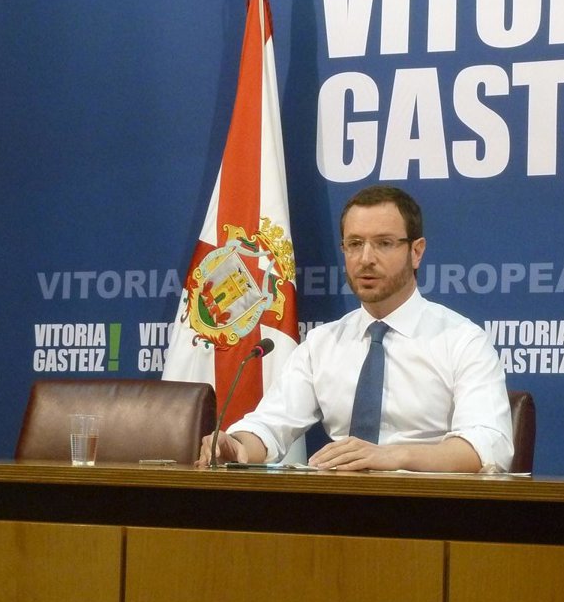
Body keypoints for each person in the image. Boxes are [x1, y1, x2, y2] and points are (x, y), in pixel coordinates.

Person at [198, 184, 514, 472]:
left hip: (428, 505)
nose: (365, 259)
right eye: (354, 244)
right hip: (340, 505)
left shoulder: (462, 341)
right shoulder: (323, 343)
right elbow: (270, 425)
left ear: (416, 252)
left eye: (384, 243)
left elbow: (488, 446)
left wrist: (394, 456)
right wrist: (237, 445)